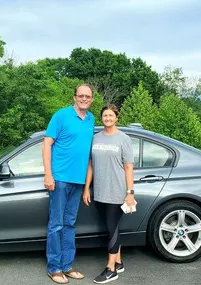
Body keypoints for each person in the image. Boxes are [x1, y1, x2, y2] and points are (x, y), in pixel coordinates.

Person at [42, 83, 95, 284]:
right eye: (80, 95)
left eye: (87, 96)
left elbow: (89, 156)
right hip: (60, 180)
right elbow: (46, 144)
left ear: (91, 99)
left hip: (78, 181)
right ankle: (54, 268)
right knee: (56, 224)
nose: (84, 99)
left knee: (70, 224)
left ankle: (67, 266)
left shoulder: (90, 119)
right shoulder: (61, 115)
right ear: (74, 97)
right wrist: (48, 174)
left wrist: (87, 185)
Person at [83, 103, 135, 284]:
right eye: (105, 116)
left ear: (116, 118)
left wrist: (130, 193)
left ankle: (111, 269)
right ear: (102, 118)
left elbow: (128, 167)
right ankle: (119, 262)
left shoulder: (123, 139)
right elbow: (90, 165)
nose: (108, 118)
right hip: (99, 192)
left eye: (111, 116)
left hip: (117, 192)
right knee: (111, 227)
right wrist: (86, 189)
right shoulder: (96, 138)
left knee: (112, 228)